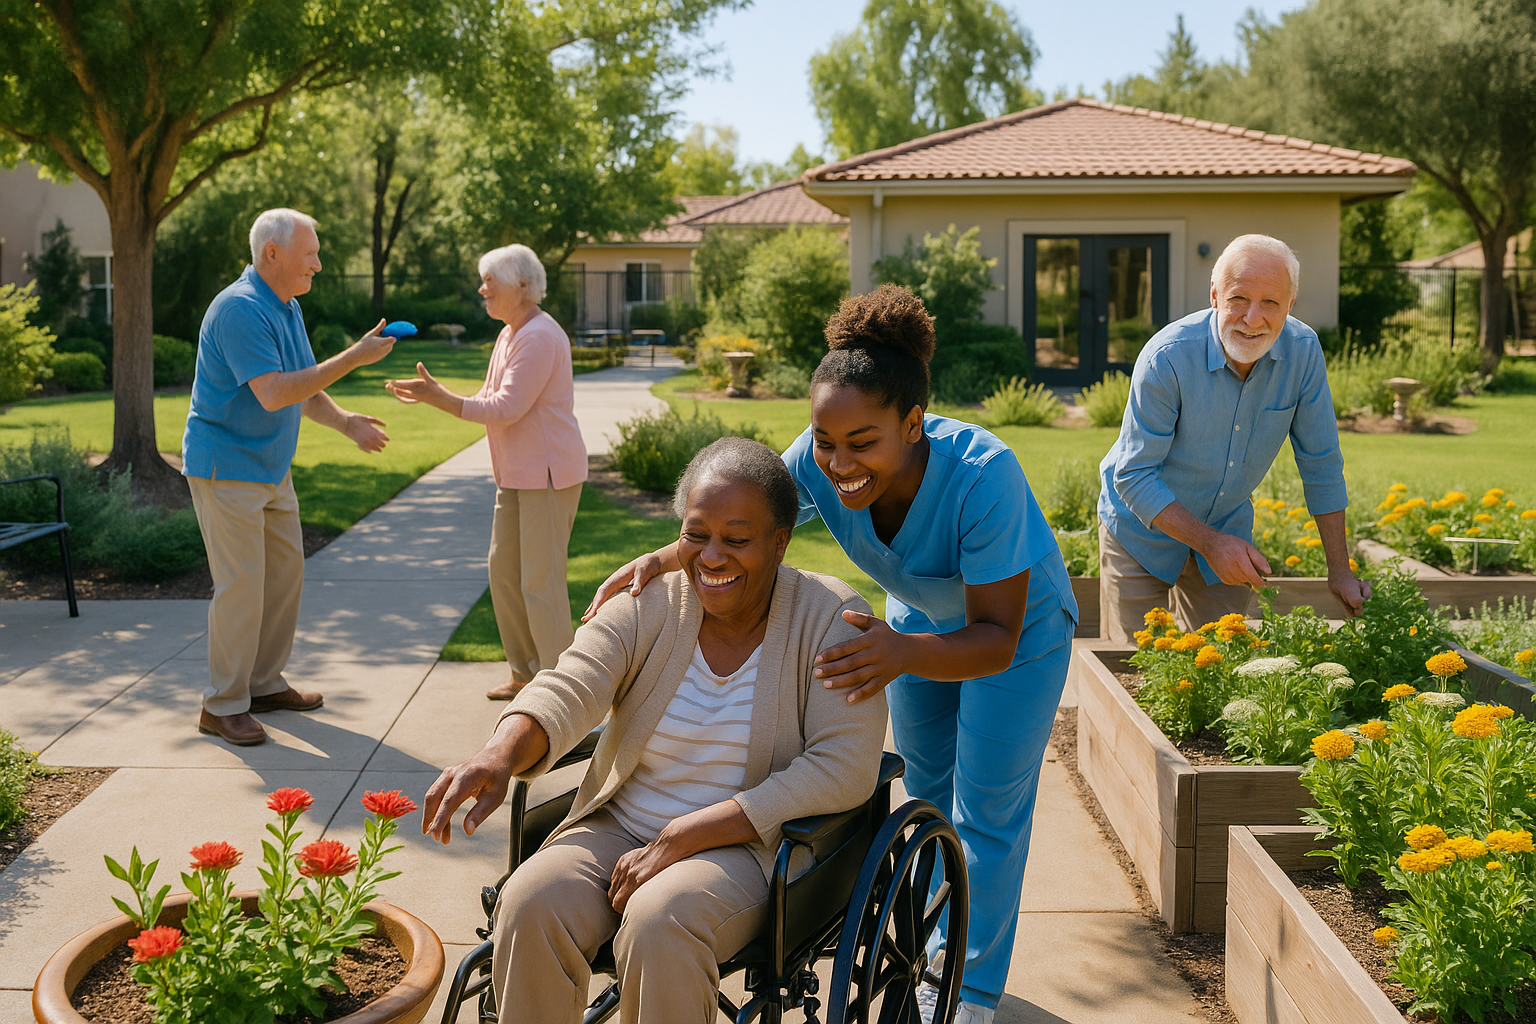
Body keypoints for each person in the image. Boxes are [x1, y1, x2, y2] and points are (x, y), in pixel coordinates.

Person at [585, 285, 1077, 1024]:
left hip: (1015, 634)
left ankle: (971, 991)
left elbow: (995, 636)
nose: (838, 463)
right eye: (824, 441)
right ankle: (927, 948)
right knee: (927, 794)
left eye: (862, 443)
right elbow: (745, 507)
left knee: (988, 808)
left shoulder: (984, 475)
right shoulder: (817, 462)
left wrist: (903, 652)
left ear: (913, 424)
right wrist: (665, 556)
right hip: (910, 625)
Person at [421, 437, 887, 1024]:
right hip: (621, 825)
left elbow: (844, 765)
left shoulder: (831, 619)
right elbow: (570, 683)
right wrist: (497, 754)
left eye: (737, 540)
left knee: (661, 920)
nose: (712, 558)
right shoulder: (651, 602)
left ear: (780, 541)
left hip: (747, 846)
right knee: (530, 900)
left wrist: (687, 835)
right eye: (696, 535)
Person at [183, 208, 395, 747]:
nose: (319, 264)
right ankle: (222, 704)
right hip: (225, 466)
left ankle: (262, 683)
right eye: (310, 253)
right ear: (271, 253)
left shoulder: (287, 307)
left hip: (269, 468)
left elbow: (302, 387)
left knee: (284, 574)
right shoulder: (239, 309)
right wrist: (356, 357)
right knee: (242, 585)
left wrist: (346, 422)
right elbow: (274, 392)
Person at [1097, 233, 1370, 644]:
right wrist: (1210, 543)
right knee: (1133, 669)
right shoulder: (1166, 357)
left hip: (1227, 525)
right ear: (1214, 295)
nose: (1253, 318)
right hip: (1140, 529)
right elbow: (1134, 475)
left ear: (1290, 305)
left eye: (1271, 303)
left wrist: (1340, 570)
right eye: (1239, 298)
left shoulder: (1303, 353)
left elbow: (1322, 465)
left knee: (1218, 668)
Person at [386, 244, 586, 701]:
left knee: (541, 584)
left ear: (521, 286)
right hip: (518, 476)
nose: (482, 289)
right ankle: (525, 674)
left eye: (489, 281)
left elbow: (506, 408)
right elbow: (488, 397)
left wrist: (440, 398)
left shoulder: (538, 335)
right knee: (504, 574)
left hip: (548, 477)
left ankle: (562, 691)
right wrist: (437, 393)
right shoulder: (511, 333)